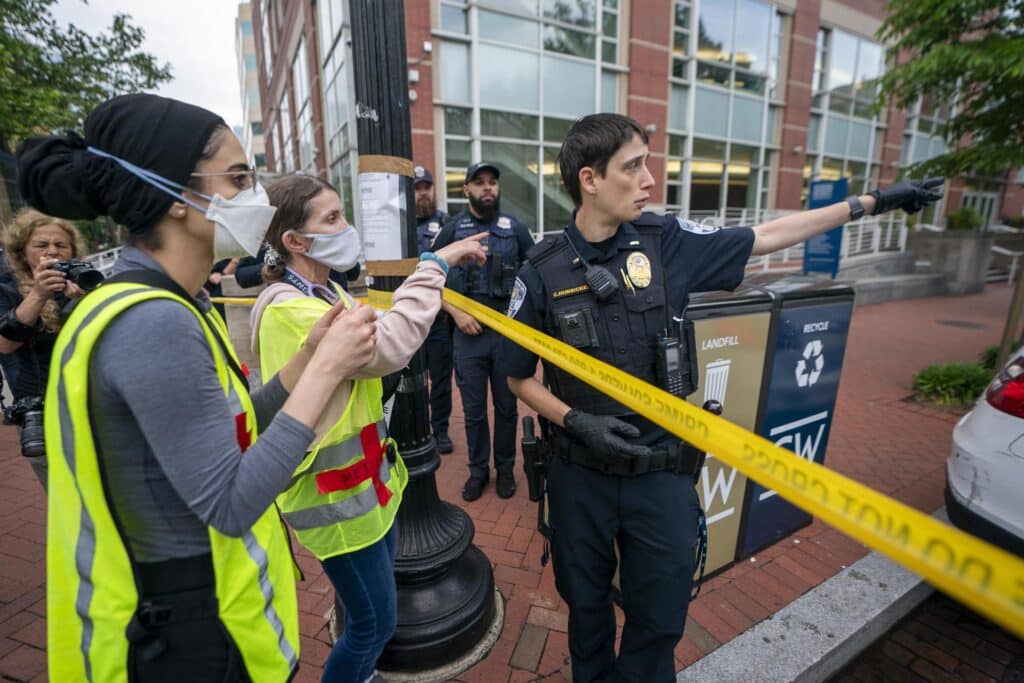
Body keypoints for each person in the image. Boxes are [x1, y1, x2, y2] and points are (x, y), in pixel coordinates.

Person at [500, 113, 943, 683]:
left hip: (661, 477)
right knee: (586, 613)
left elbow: (772, 234)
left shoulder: (668, 244)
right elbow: (516, 377)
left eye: (646, 164)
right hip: (578, 474)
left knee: (658, 619)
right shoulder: (541, 269)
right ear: (589, 178)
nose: (649, 180)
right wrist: (575, 419)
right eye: (633, 167)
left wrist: (873, 201)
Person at [16, 93, 383, 681]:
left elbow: (235, 426)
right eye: (238, 179)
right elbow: (231, 503)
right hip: (183, 642)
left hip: (203, 617)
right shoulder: (152, 321)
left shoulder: (181, 303)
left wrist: (306, 359)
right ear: (178, 196)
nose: (257, 198)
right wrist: (326, 372)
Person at [249, 174, 485, 683]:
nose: (347, 227)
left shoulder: (321, 288)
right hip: (336, 506)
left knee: (364, 615)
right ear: (294, 241)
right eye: (332, 219)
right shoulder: (292, 310)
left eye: (343, 213)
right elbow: (390, 344)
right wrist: (435, 265)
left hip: (363, 496)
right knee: (375, 625)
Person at [431, 162, 535, 501]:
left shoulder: (515, 228)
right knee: (474, 411)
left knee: (507, 408)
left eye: (492, 182)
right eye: (479, 183)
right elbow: (428, 277)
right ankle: (479, 471)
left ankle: (505, 470)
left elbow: (533, 278)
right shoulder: (451, 230)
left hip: (506, 337)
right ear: (467, 190)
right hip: (467, 337)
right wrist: (456, 312)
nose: (487, 188)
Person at [0, 209, 89, 489]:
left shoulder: (83, 281)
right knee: (64, 496)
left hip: (91, 402)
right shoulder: (6, 289)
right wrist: (39, 294)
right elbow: (5, 343)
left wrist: (84, 302)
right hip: (43, 411)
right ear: (21, 251)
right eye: (41, 245)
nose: (52, 251)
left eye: (61, 245)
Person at [413, 164, 453, 453]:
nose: (422, 194)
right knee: (411, 376)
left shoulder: (447, 226)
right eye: (416, 188)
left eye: (426, 187)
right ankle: (416, 426)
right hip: (410, 316)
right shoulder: (398, 226)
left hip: (438, 317)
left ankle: (440, 429)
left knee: (440, 376)